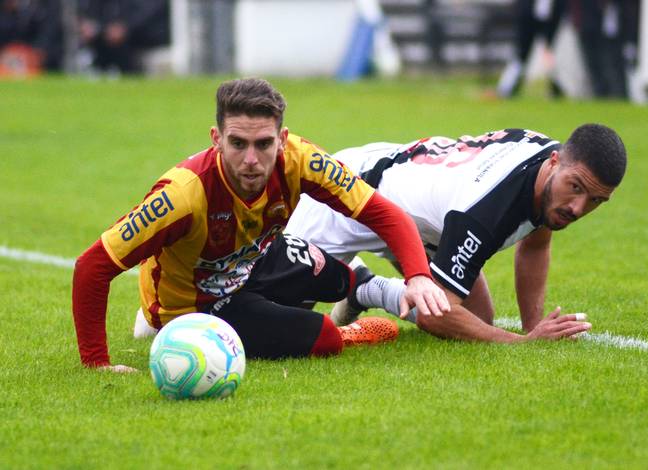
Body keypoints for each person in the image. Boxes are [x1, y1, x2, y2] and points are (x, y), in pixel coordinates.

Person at [72, 78, 449, 372]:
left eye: (264, 144)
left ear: (282, 140)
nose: (251, 159)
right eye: (238, 144)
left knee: (330, 273)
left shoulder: (301, 160)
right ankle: (157, 324)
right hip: (198, 304)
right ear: (216, 139)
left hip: (251, 258)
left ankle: (368, 290)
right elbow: (92, 265)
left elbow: (382, 212)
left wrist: (417, 275)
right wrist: (96, 363)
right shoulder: (182, 196)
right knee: (323, 339)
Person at [285, 124, 627, 343]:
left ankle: (363, 287)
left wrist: (532, 326)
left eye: (596, 200)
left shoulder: (551, 172)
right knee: (285, 326)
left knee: (477, 321)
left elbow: (536, 242)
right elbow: (436, 318)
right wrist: (523, 343)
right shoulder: (486, 209)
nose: (579, 208)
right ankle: (362, 285)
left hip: (423, 214)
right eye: (576, 188)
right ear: (554, 162)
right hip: (353, 194)